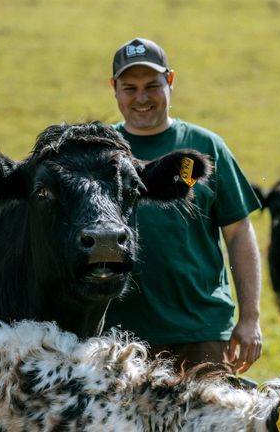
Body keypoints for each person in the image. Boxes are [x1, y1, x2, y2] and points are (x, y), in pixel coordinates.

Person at [104, 37, 263, 373]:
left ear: (170, 82)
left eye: (152, 86)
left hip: (201, 329)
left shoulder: (206, 146)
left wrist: (250, 319)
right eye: (129, 88)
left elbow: (239, 232)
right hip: (121, 335)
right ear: (114, 88)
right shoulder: (99, 151)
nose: (142, 98)